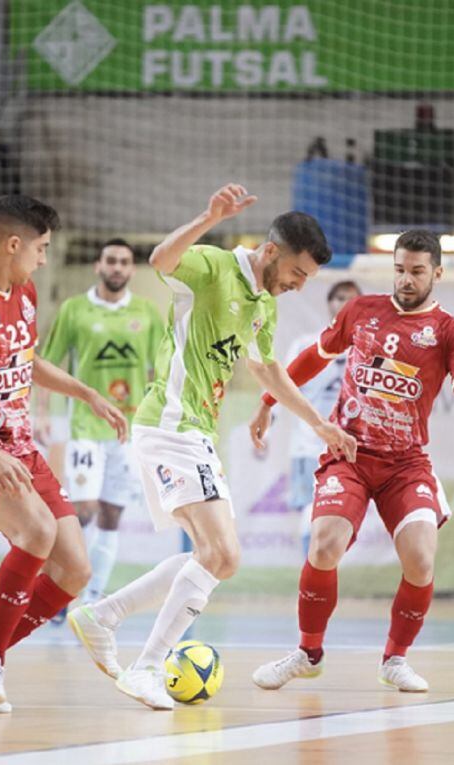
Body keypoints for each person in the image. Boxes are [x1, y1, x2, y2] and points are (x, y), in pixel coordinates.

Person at [67, 184, 357, 711]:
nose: (298, 285)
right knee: (222, 554)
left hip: (196, 432)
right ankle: (148, 666)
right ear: (272, 252)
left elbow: (268, 368)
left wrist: (318, 423)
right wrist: (209, 216)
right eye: (297, 273)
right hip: (169, 426)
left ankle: (101, 616)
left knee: (216, 556)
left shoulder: (263, 304)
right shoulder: (213, 266)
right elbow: (161, 260)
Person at [248, 230, 454, 694]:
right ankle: (307, 653)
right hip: (349, 453)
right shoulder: (362, 311)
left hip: (406, 464)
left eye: (417, 271)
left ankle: (395, 660)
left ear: (437, 273)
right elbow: (314, 358)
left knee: (419, 560)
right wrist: (267, 401)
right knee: (323, 546)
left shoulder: (448, 330)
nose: (406, 279)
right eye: (399, 269)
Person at [0, 195, 127, 713]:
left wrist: (87, 393)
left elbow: (26, 361)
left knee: (75, 571)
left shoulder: (24, 291)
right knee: (36, 532)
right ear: (13, 244)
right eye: (41, 248)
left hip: (22, 449)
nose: (43, 259)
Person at [39, 238, 165, 605]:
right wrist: (44, 412)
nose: (117, 268)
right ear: (98, 266)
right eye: (110, 260)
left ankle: (91, 602)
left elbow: (161, 370)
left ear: (131, 269)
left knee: (112, 514)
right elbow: (49, 363)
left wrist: (162, 419)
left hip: (129, 430)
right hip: (85, 427)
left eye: (125, 262)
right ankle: (57, 591)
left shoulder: (147, 312)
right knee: (83, 511)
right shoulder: (74, 310)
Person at [281, 280, 362, 556]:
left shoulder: (369, 351)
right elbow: (282, 387)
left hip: (348, 449)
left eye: (351, 299)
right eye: (339, 298)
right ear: (329, 303)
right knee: (310, 509)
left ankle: (321, 576)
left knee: (338, 517)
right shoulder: (307, 345)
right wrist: (268, 426)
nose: (344, 304)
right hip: (309, 446)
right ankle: (311, 576)